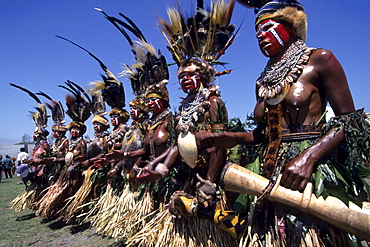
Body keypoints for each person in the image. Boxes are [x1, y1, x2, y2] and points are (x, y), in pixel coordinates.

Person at [191, 0, 370, 245]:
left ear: (291, 26)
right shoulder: (263, 80)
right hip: (271, 173)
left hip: (314, 174)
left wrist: (308, 158)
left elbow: (351, 121)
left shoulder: (320, 59)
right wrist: (225, 138)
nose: (261, 36)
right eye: (257, 33)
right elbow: (268, 135)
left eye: (268, 28)